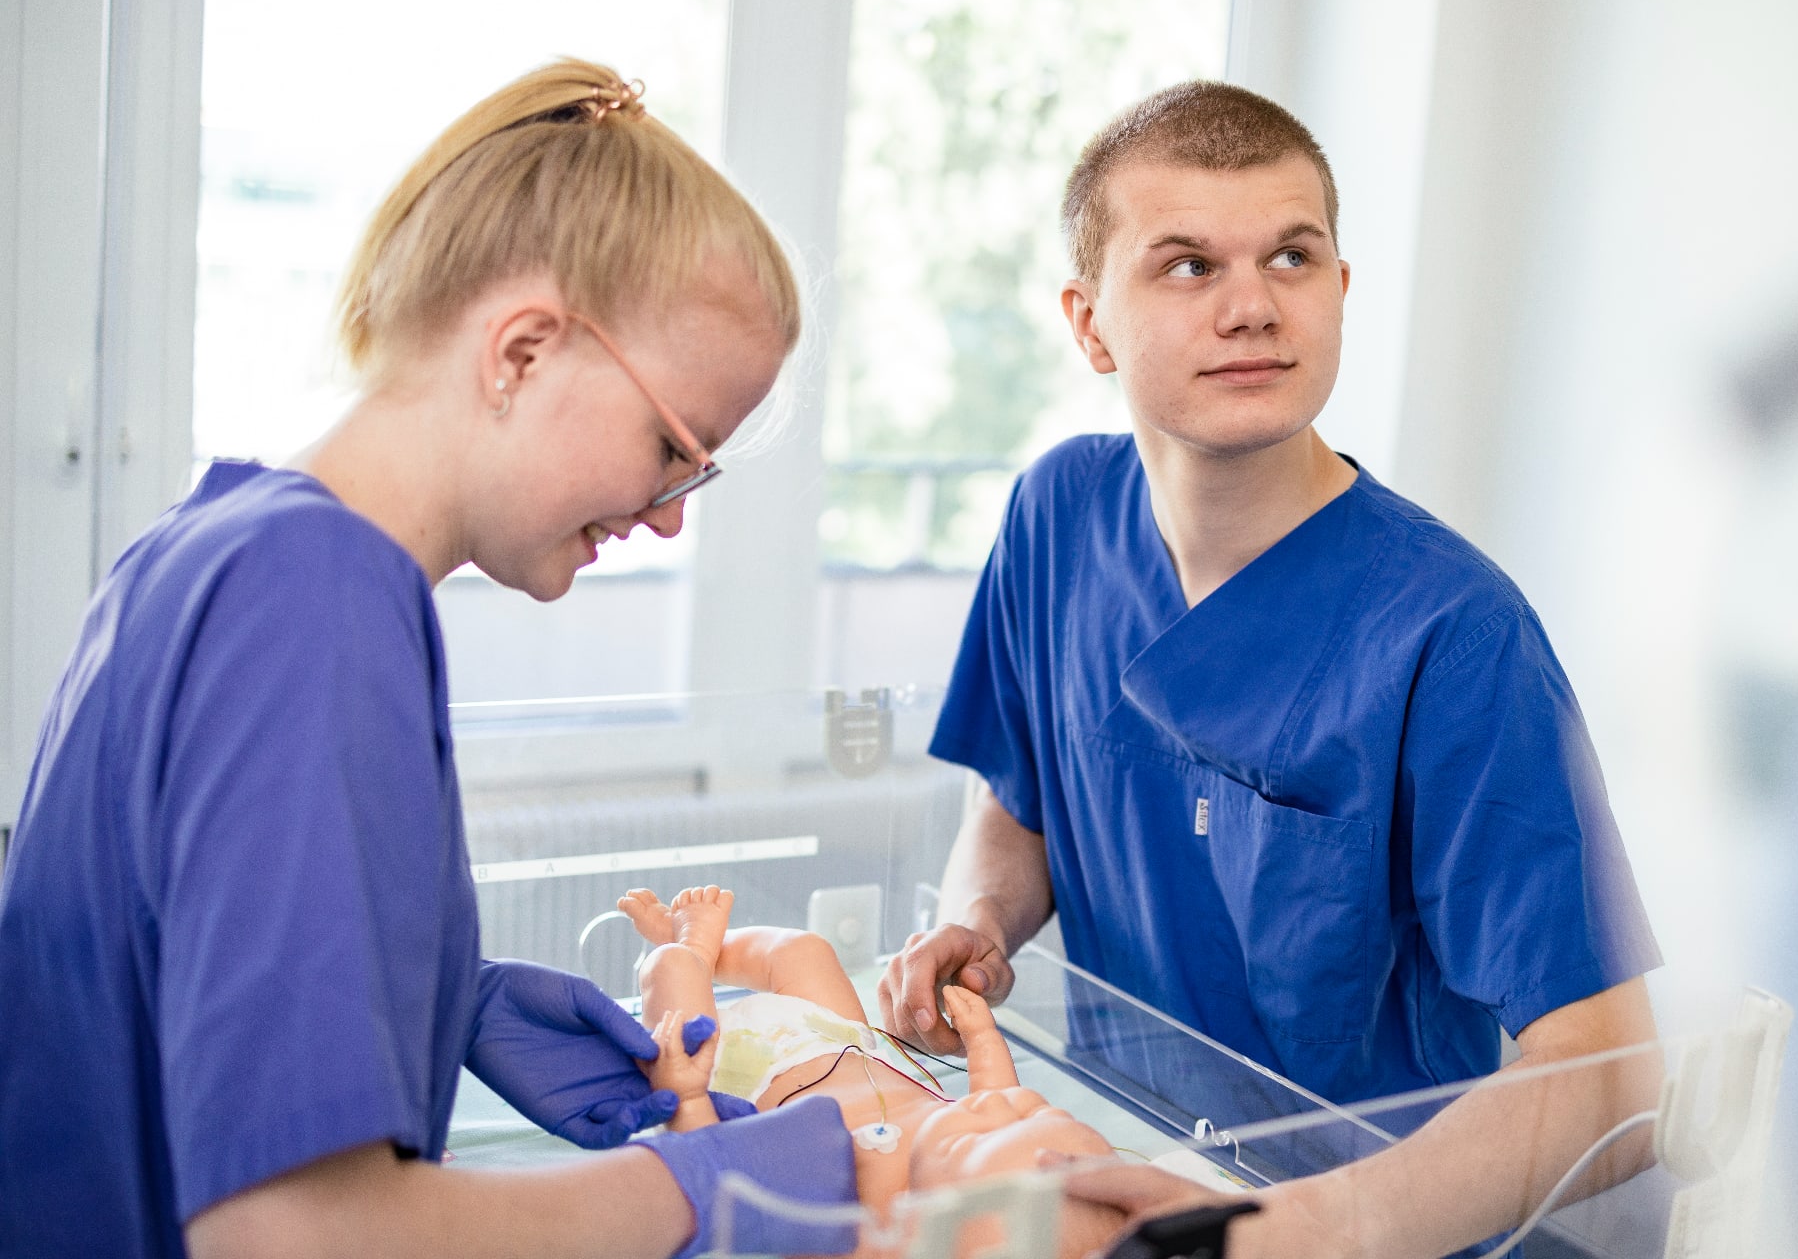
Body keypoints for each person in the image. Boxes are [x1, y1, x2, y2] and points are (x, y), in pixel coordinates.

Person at [0, 61, 858, 1258]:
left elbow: (143, 961)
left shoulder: (211, 544)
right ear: (520, 351)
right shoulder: (311, 596)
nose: (670, 514)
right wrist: (706, 1184)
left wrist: (447, 1003)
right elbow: (291, 1233)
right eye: (674, 447)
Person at [877, 82, 1666, 1257]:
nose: (1251, 306)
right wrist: (978, 920)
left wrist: (1276, 1230)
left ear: (1338, 293)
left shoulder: (1452, 630)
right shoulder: (1055, 515)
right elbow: (1017, 804)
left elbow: (1610, 1074)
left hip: (1359, 1223)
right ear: (1088, 322)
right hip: (1123, 1158)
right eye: (1187, 265)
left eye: (1290, 257)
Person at [619, 885, 1125, 1255]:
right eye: (1032, 1114)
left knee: (673, 976)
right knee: (805, 952)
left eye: (971, 1140)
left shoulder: (864, 1222)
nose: (996, 1103)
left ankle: (689, 950)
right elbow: (992, 1097)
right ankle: (714, 954)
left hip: (732, 1071)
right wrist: (983, 1042)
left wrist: (686, 1102)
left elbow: (726, 1183)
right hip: (848, 1041)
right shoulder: (988, 1133)